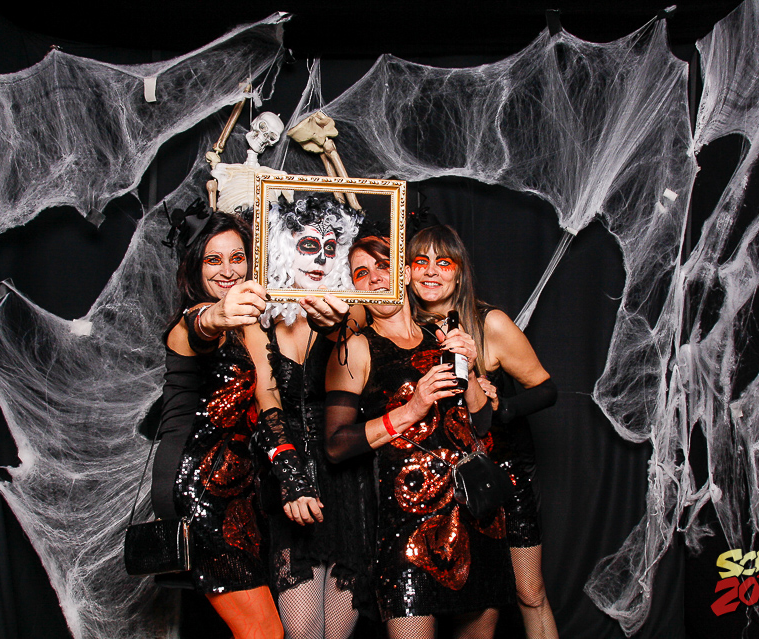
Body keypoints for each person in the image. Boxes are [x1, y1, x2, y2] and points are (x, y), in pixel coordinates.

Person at [324, 235, 515, 639]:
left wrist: (470, 367)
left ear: (406, 274)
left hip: (473, 514)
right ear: (353, 288)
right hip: (407, 527)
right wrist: (411, 409)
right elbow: (336, 445)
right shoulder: (356, 348)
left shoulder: (441, 336)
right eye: (361, 273)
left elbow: (482, 425)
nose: (376, 279)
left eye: (384, 265)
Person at [151, 206, 321, 639]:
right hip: (196, 486)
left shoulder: (252, 325)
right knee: (264, 632)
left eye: (237, 257)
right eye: (213, 260)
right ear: (195, 266)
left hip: (241, 487)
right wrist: (216, 316)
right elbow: (199, 327)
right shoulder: (188, 323)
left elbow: (268, 400)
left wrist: (292, 476)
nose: (228, 271)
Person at [406, 224, 560, 639]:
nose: (431, 271)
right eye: (420, 261)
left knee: (529, 592)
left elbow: (546, 388)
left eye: (444, 262)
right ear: (406, 272)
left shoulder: (488, 322)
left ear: (459, 273)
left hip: (500, 475)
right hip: (433, 485)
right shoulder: (400, 328)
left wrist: (501, 406)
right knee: (454, 602)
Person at [258, 194, 376, 639]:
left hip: (347, 476)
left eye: (331, 248)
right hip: (288, 475)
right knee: (304, 629)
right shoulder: (259, 319)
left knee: (339, 630)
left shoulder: (354, 314)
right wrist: (291, 477)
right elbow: (265, 398)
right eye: (309, 245)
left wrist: (336, 324)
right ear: (283, 246)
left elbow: (356, 320)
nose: (321, 259)